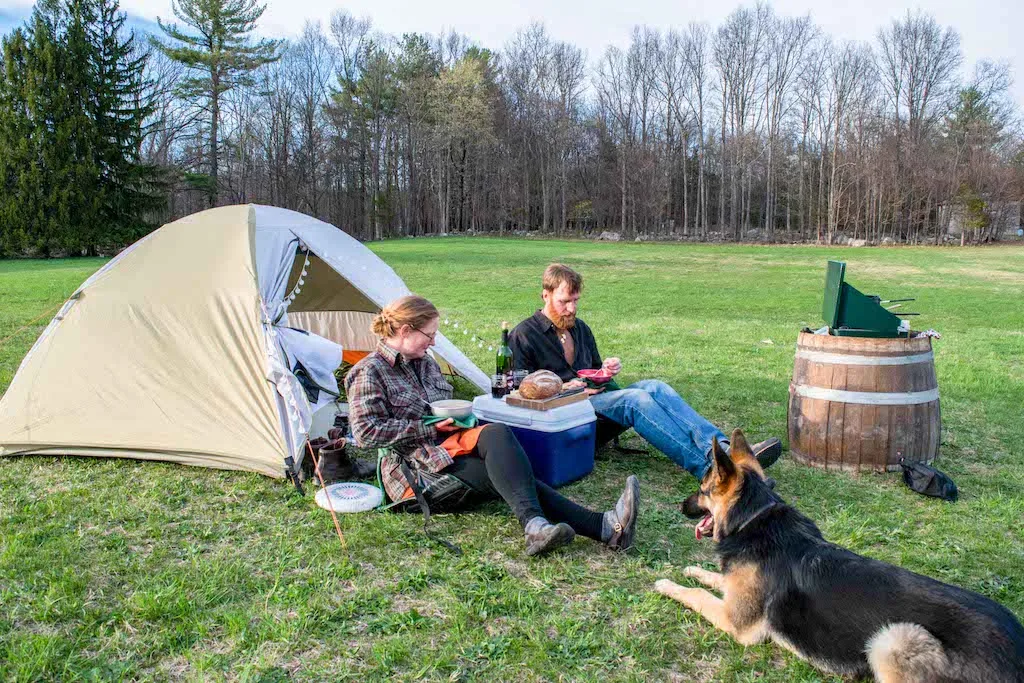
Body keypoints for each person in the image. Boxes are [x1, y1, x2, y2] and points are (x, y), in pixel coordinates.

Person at [345, 294, 640, 556]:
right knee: (510, 476)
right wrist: (430, 428)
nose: (434, 342)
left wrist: (459, 419)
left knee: (498, 436)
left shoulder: (426, 363)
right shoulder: (368, 372)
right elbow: (365, 433)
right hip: (412, 473)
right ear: (406, 330)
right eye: (429, 335)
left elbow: (443, 408)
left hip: (448, 449)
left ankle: (549, 527)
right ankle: (598, 527)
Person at [508, 264, 782, 482]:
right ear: (545, 294)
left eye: (576, 301)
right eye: (565, 301)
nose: (572, 309)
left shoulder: (580, 329)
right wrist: (568, 389)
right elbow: (518, 393)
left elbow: (592, 370)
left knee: (655, 387)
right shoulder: (524, 335)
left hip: (596, 404)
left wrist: (606, 370)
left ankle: (724, 449)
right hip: (566, 416)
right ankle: (709, 469)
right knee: (635, 401)